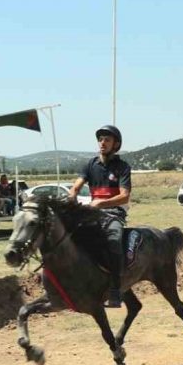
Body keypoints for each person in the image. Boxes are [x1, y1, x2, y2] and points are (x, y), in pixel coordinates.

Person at [69, 125, 132, 308]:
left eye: (107, 139)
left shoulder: (122, 167)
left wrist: (100, 203)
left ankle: (115, 290)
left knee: (113, 240)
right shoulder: (90, 165)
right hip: (93, 213)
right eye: (101, 139)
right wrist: (72, 194)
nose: (102, 143)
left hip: (114, 213)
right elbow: (76, 186)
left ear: (116, 144)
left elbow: (124, 196)